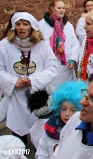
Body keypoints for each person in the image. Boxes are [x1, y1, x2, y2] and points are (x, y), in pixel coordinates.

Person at [0, 12, 58, 145]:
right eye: (18, 24)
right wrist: (13, 81)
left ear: (31, 27)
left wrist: (34, 81)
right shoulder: (4, 45)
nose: (21, 27)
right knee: (18, 131)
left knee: (40, 133)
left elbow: (52, 67)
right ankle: (20, 151)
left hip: (38, 96)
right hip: (16, 96)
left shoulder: (41, 45)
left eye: (25, 24)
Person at [36, 81, 87, 159]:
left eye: (73, 110)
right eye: (63, 109)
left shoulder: (84, 132)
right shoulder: (50, 127)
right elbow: (42, 152)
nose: (67, 114)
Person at [39, 0, 80, 87]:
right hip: (48, 64)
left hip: (64, 66)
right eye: (59, 8)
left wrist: (73, 59)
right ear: (52, 9)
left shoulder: (68, 26)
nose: (62, 10)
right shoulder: (42, 25)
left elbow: (75, 44)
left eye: (63, 8)